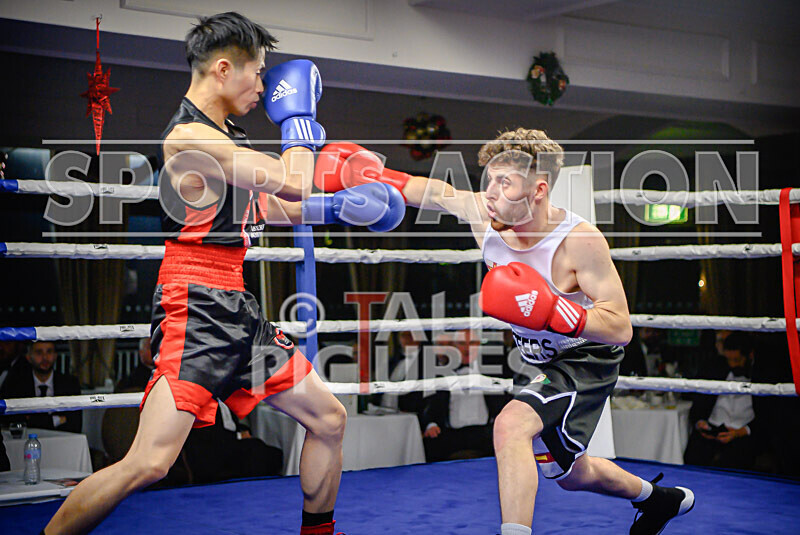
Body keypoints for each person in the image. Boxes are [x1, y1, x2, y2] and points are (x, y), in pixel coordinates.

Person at [42, 12, 403, 535]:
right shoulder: (190, 138)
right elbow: (292, 180)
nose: (263, 86)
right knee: (149, 463)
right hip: (195, 307)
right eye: (257, 72)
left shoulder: (226, 135)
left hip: (236, 305)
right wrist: (299, 125)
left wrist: (342, 207)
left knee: (329, 419)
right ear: (224, 69)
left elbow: (269, 206)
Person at [315, 130, 695, 535]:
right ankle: (659, 500)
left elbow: (619, 327)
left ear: (538, 190)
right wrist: (370, 174)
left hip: (586, 357)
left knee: (510, 424)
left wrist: (556, 311)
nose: (491, 193)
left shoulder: (578, 241)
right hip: (543, 359)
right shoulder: (486, 213)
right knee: (572, 475)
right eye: (490, 180)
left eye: (505, 183)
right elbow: (433, 192)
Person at [684, 331, 759, 470]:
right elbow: (699, 403)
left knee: (736, 458)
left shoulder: (762, 375)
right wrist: (701, 423)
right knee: (694, 452)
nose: (732, 364)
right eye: (728, 359)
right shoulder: (714, 368)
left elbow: (768, 417)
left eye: (736, 360)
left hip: (743, 434)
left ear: (750, 355)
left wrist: (740, 432)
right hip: (713, 430)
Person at [419, 330, 494, 462]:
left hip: (486, 434)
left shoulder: (495, 371)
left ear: (479, 345)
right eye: (462, 343)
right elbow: (428, 403)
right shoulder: (440, 372)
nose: (467, 348)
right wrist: (431, 424)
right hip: (451, 435)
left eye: (472, 343)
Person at [0, 341, 82, 433]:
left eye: (49, 352)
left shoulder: (70, 384)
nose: (45, 358)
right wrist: (57, 420)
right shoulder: (16, 385)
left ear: (55, 356)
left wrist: (31, 419)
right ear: (29, 357)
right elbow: (10, 421)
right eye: (39, 352)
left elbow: (75, 424)